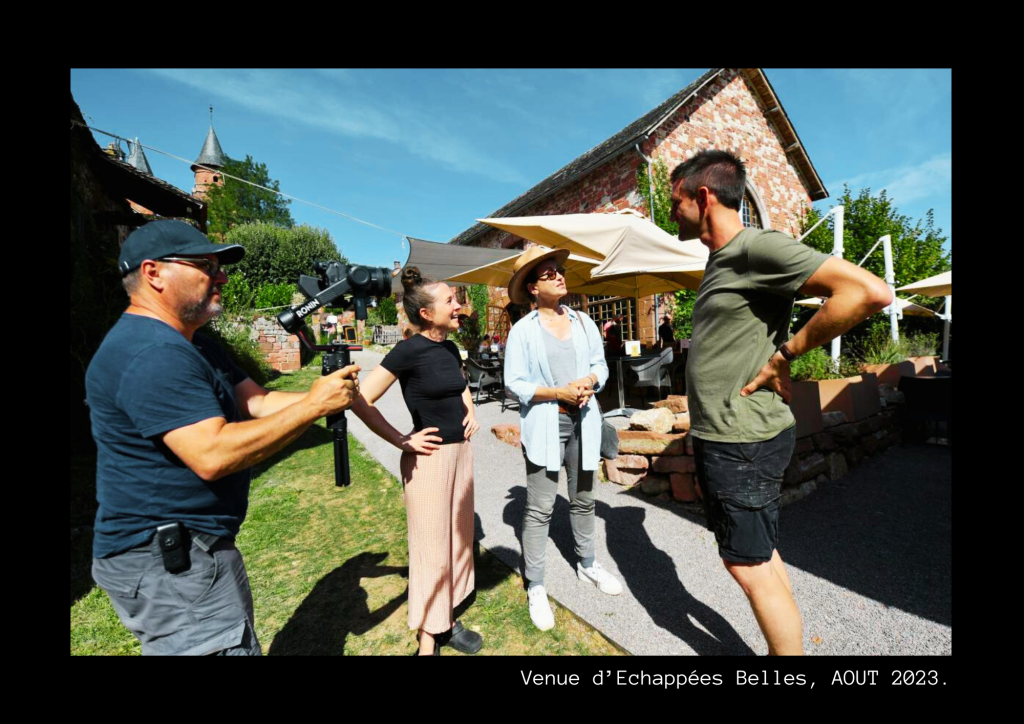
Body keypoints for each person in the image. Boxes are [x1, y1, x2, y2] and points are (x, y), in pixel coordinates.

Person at [86, 220, 360, 656]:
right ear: (153, 273)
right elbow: (210, 453)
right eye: (205, 265)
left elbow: (258, 402)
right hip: (164, 558)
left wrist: (330, 395)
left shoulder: (194, 343)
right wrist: (314, 407)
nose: (223, 276)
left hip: (194, 547)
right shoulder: (150, 352)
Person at [669, 150, 891, 655]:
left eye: (675, 200)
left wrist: (785, 353)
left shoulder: (754, 247)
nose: (671, 212)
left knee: (748, 565)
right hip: (732, 435)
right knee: (759, 557)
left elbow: (869, 292)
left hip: (742, 438)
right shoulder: (723, 259)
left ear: (703, 197)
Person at [351, 267, 483, 656]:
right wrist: (400, 439)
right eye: (450, 301)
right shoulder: (407, 350)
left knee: (459, 540)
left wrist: (471, 409)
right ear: (426, 313)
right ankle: (428, 640)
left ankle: (449, 617)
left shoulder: (448, 347)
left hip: (461, 455)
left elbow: (458, 384)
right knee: (430, 546)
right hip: (428, 461)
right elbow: (360, 398)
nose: (458, 306)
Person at [503, 247, 622, 632]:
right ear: (533, 288)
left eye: (560, 271)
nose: (559, 276)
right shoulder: (523, 330)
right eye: (549, 273)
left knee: (584, 499)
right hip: (547, 423)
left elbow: (599, 366)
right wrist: (559, 394)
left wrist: (588, 383)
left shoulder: (584, 321)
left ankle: (587, 564)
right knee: (539, 509)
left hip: (585, 420)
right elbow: (514, 383)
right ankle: (536, 585)